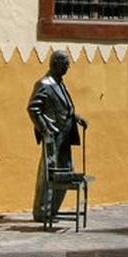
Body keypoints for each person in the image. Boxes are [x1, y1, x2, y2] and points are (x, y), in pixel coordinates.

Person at [27, 50, 88, 223]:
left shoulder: (60, 83)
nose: (68, 66)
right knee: (49, 174)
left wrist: (77, 118)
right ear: (55, 64)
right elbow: (33, 108)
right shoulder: (44, 84)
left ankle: (52, 210)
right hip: (53, 137)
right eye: (65, 63)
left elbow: (66, 109)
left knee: (66, 173)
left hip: (65, 137)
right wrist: (45, 129)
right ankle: (42, 212)